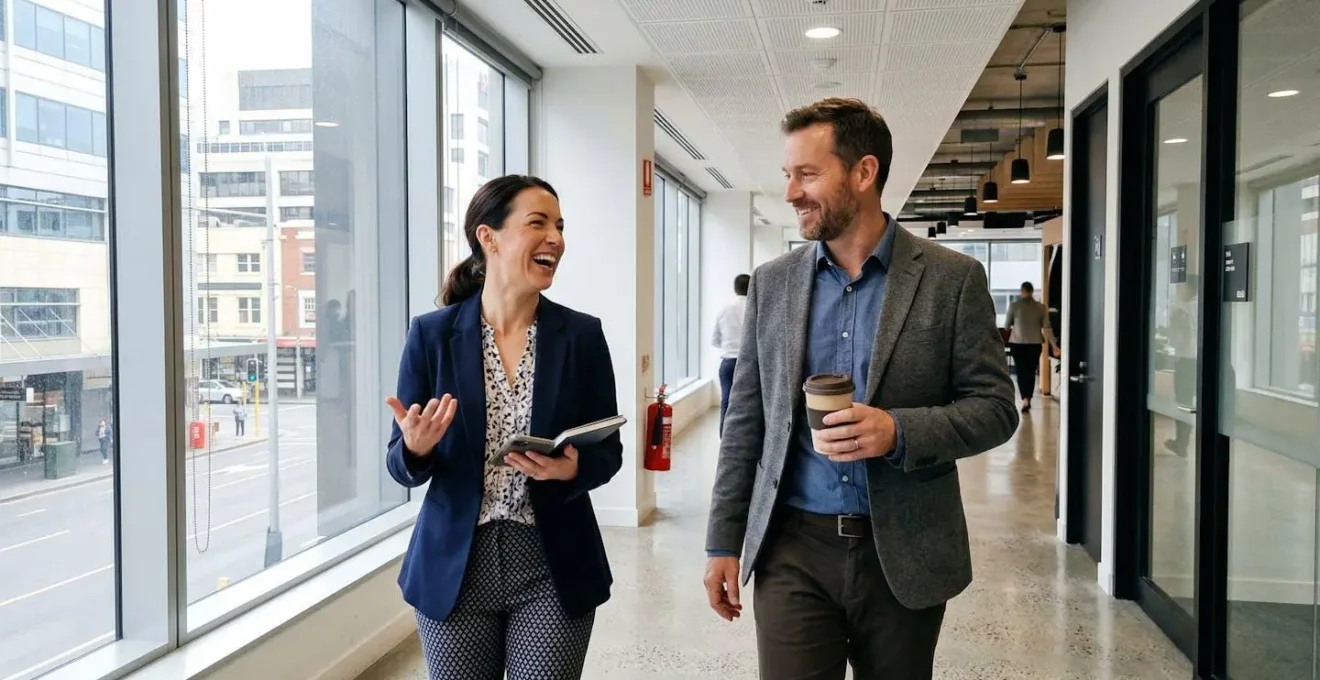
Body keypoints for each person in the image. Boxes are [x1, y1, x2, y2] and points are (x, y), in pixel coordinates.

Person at [704, 97, 1018, 680]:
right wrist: (723, 540)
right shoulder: (774, 284)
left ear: (864, 172)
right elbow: (745, 419)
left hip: (905, 548)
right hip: (792, 547)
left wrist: (898, 430)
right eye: (788, 175)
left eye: (807, 174)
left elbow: (997, 409)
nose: (791, 192)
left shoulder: (951, 280)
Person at [384, 174, 623, 680]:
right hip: (454, 566)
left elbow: (609, 451)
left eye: (560, 226)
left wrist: (572, 468)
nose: (555, 238)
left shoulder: (581, 336)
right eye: (538, 223)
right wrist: (416, 448)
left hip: (553, 563)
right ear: (487, 237)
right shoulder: (431, 335)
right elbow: (400, 466)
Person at [1004, 281, 1053, 413]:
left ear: (1022, 291)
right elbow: (1047, 328)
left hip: (1017, 344)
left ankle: (1024, 399)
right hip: (1035, 344)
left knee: (1021, 371)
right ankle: (1029, 399)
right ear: (1031, 291)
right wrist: (1054, 345)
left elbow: (1007, 326)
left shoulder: (1014, 306)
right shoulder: (1041, 308)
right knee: (1031, 371)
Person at [711, 274, 749, 433]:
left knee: (726, 400)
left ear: (735, 289)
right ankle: (744, 436)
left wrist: (730, 346)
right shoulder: (756, 309)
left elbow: (715, 340)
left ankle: (724, 436)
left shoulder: (725, 310)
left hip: (728, 362)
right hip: (749, 363)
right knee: (748, 402)